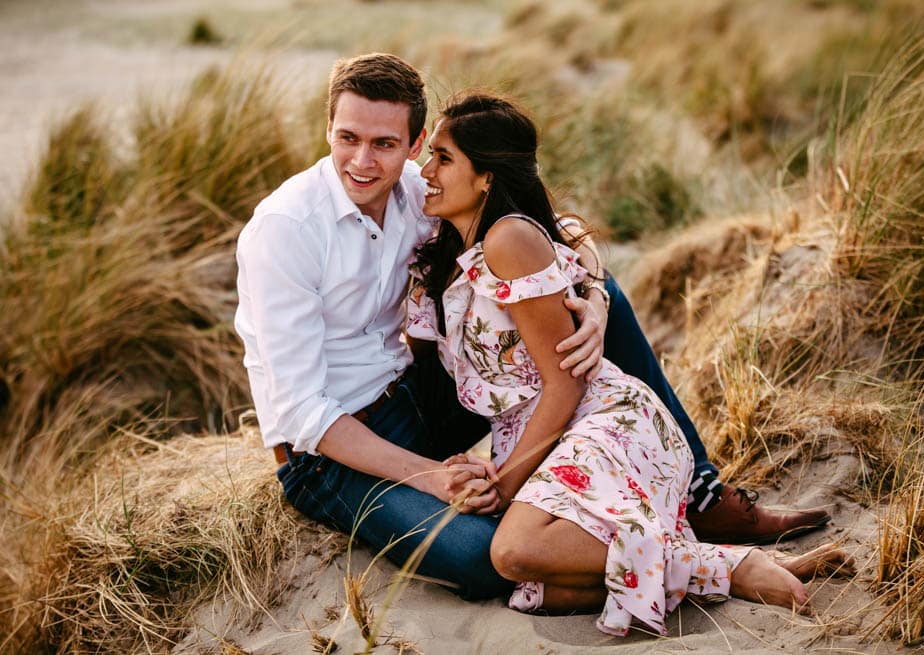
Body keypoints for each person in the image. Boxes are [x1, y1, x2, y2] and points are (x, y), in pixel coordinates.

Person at [233, 53, 829, 602]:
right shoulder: (285, 231)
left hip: (424, 399)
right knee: (479, 561)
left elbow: (556, 228)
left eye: (384, 144)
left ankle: (703, 495)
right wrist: (433, 478)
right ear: (328, 131)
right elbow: (305, 413)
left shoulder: (419, 189)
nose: (362, 162)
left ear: (414, 144)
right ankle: (709, 565)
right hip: (333, 450)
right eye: (348, 138)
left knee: (605, 298)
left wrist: (594, 301)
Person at [408, 92, 851, 635]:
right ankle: (715, 563)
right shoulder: (453, 247)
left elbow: (564, 383)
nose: (425, 170)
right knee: (544, 591)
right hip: (542, 434)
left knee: (515, 554)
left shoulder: (508, 239)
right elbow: (569, 229)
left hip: (598, 422)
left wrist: (503, 483)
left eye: (443, 158)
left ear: (486, 178)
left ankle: (731, 564)